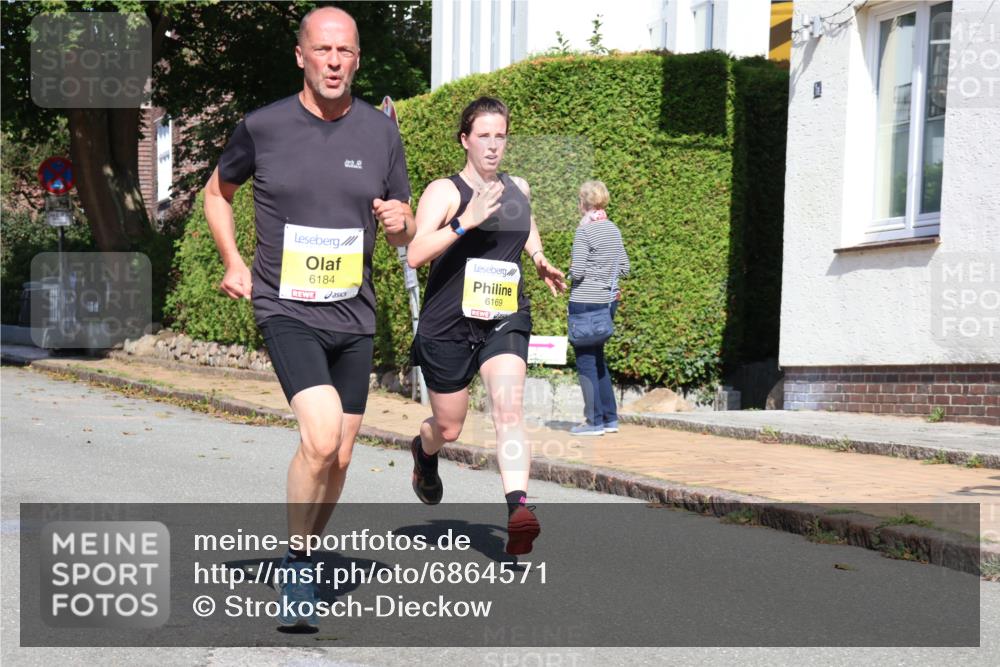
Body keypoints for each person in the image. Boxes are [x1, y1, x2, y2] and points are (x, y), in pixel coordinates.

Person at [202, 6, 414, 626]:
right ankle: (296, 568)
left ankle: (307, 549)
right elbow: (218, 193)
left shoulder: (381, 131)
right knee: (319, 437)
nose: (333, 62)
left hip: (355, 311)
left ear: (356, 59)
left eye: (344, 52)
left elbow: (400, 219)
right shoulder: (263, 127)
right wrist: (233, 260)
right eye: (322, 50)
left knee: (341, 457)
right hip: (285, 304)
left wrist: (402, 225)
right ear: (301, 55)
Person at [406, 97, 567, 555]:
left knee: (508, 409)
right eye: (484, 136)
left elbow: (526, 222)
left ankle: (518, 507)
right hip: (448, 325)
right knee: (449, 427)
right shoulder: (446, 191)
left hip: (503, 312)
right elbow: (416, 254)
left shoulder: (518, 186)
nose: (494, 146)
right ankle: (424, 451)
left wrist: (537, 257)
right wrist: (466, 221)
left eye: (501, 136)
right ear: (465, 140)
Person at [567, 180, 629, 436]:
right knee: (599, 359)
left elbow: (577, 271)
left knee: (586, 363)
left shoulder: (585, 232)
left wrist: (572, 274)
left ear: (584, 203)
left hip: (584, 301)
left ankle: (594, 422)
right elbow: (624, 267)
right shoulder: (613, 229)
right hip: (607, 302)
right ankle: (609, 418)